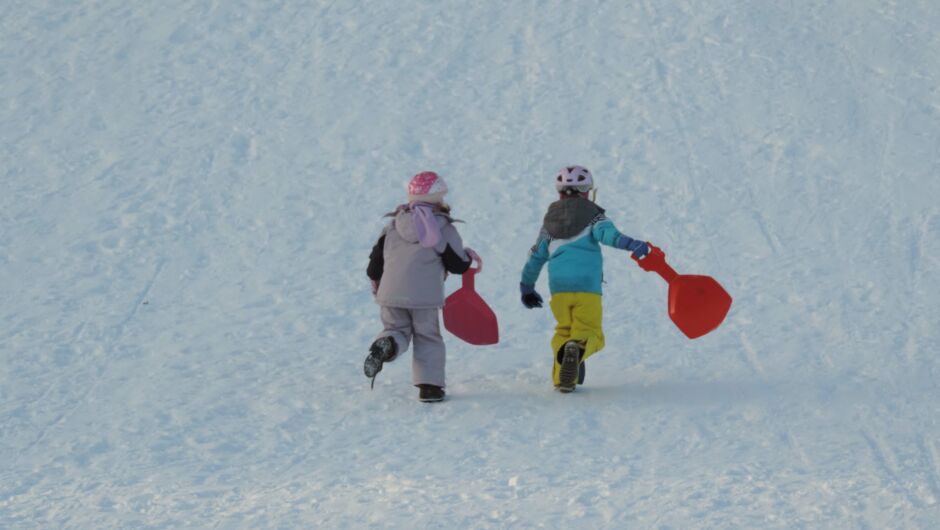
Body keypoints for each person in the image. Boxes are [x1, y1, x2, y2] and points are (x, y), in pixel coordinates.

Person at [519, 166, 650, 393]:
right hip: (587, 287)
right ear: (588, 192)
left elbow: (536, 256)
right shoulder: (594, 215)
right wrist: (632, 244)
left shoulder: (549, 224)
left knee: (563, 330)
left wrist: (527, 287)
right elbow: (610, 235)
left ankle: (563, 379)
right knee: (591, 332)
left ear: (559, 193)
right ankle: (577, 349)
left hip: (559, 289)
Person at [364, 171, 475, 402]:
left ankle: (387, 345)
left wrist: (379, 282)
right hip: (424, 298)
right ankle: (430, 387)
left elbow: (374, 266)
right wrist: (467, 257)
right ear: (437, 200)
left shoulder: (393, 226)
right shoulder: (442, 228)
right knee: (428, 338)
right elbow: (458, 265)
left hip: (390, 295)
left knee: (396, 330)